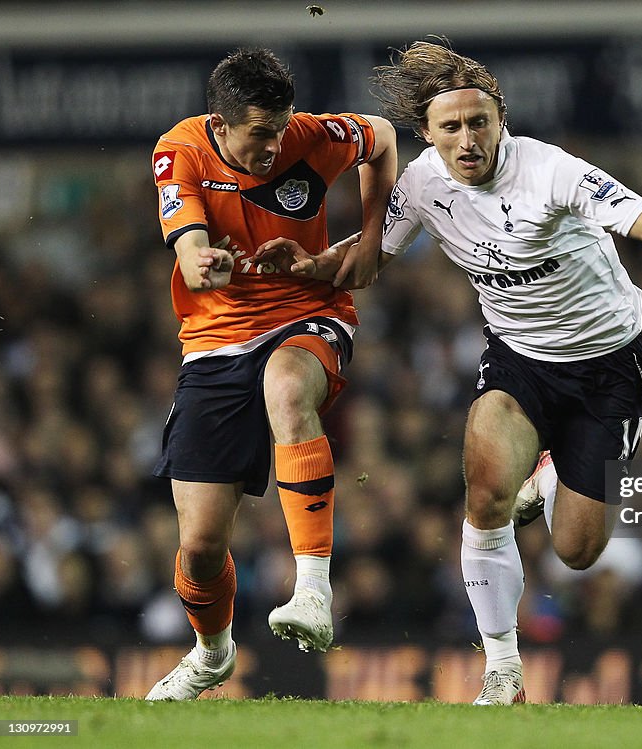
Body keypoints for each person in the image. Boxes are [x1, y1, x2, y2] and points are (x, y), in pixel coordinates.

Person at [370, 40, 642, 705]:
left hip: (606, 369)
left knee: (578, 552)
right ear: (429, 134)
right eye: (453, 127)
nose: (469, 137)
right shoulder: (420, 184)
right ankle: (501, 666)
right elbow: (366, 263)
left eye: (481, 122)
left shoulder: (551, 170)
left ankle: (554, 470)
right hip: (518, 360)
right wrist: (295, 269)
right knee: (482, 492)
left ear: (500, 119)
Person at [145, 47, 397, 700]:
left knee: (287, 387)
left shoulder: (310, 136)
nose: (274, 145)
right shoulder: (179, 152)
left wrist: (370, 238)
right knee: (200, 545)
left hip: (308, 312)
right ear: (219, 123)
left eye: (280, 128)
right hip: (216, 338)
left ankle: (312, 590)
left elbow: (384, 137)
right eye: (259, 133)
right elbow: (191, 247)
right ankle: (211, 651)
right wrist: (204, 265)